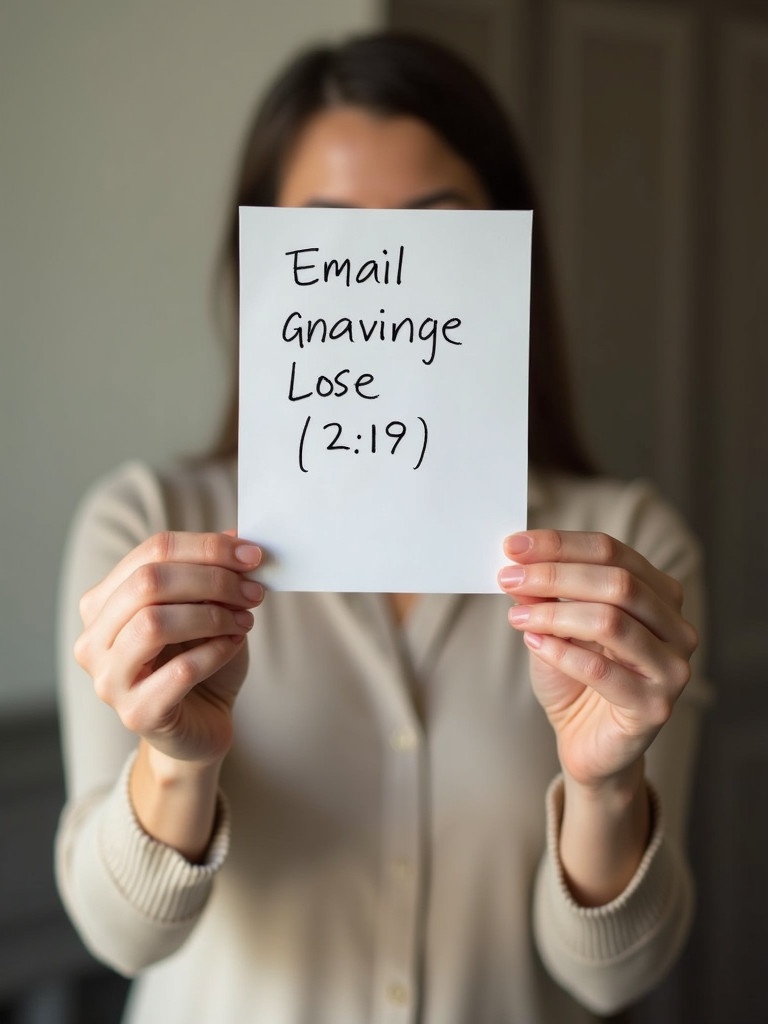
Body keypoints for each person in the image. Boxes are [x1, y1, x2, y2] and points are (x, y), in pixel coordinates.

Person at [55, 31, 709, 1024]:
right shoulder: (149, 527)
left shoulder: (630, 556)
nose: (383, 279)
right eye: (332, 241)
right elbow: (120, 935)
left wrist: (607, 786)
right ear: (262, 274)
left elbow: (615, 975)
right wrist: (177, 761)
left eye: (434, 234)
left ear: (507, 263)